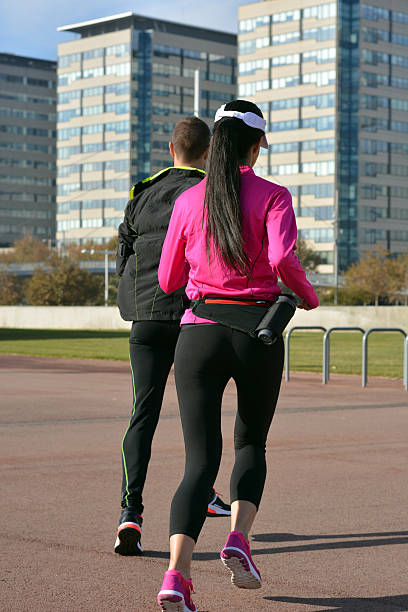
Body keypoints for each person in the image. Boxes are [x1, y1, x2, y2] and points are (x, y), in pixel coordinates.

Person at [156, 100, 319, 610]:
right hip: (257, 335)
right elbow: (282, 258)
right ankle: (238, 539)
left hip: (199, 334)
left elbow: (167, 280)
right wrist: (308, 297)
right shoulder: (273, 195)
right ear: (255, 145)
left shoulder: (189, 200)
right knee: (251, 444)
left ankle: (176, 577)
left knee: (197, 464)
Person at [114, 116, 231, 557]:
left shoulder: (141, 191)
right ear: (208, 153)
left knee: (142, 413)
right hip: (190, 315)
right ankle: (201, 495)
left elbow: (124, 248)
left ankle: (130, 511)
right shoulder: (211, 190)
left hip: (144, 315)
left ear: (170, 148)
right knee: (196, 416)